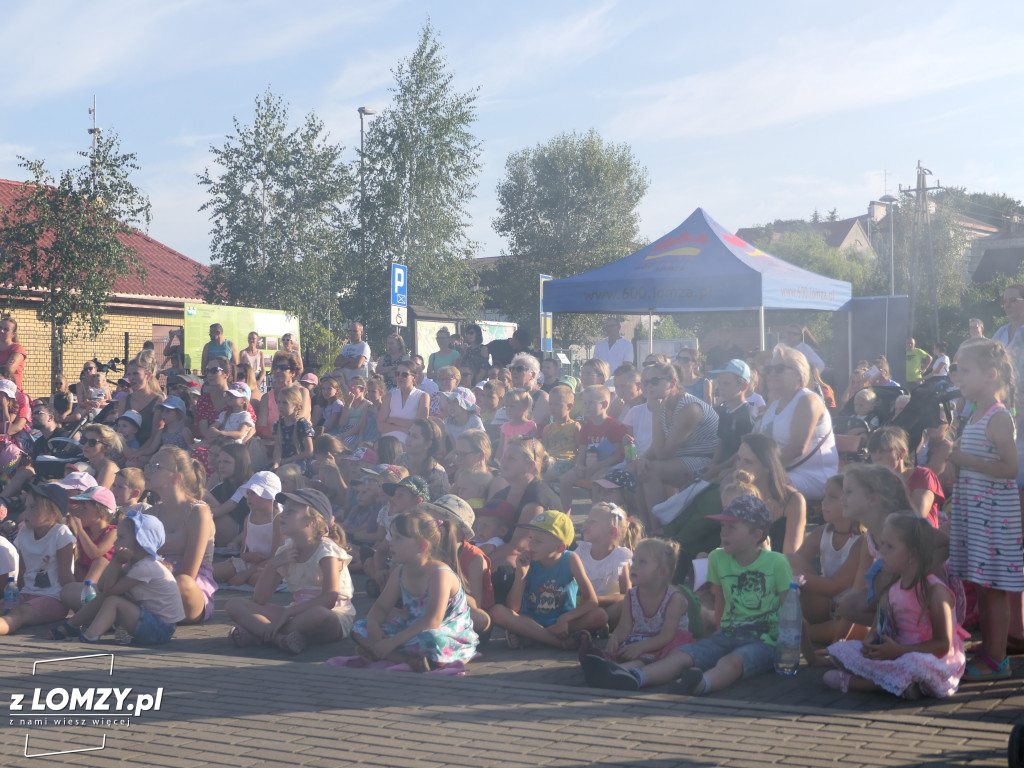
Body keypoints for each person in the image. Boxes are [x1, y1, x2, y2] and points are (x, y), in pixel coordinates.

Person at [580, 495, 793, 695]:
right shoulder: (719, 558)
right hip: (726, 636)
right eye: (722, 526)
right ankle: (634, 677)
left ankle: (702, 684)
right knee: (682, 655)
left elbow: (791, 611)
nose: (723, 532)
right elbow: (721, 601)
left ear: (756, 535)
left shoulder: (777, 563)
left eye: (732, 527)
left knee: (732, 662)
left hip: (764, 641)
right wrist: (716, 635)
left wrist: (801, 655)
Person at [946, 338, 1024, 681]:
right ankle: (991, 645)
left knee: (993, 588)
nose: (957, 378)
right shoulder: (974, 413)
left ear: (991, 374)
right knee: (981, 584)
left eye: (965, 371)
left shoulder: (999, 416)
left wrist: (966, 460)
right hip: (976, 515)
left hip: (995, 518)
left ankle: (998, 657)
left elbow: (1010, 469)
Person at [825, 513, 967, 698]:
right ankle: (901, 684)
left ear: (912, 554)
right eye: (882, 544)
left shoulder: (935, 591)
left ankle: (858, 683)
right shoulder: (890, 591)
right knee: (840, 652)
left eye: (890, 546)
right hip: (897, 653)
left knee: (914, 664)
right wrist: (871, 643)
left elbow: (943, 645)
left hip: (932, 659)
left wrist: (899, 651)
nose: (881, 551)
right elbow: (878, 628)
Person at [227, 488, 355, 654]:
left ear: (312, 521)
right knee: (234, 605)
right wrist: (273, 564)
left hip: (332, 615)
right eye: (284, 510)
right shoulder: (285, 551)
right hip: (295, 614)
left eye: (291, 512)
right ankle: (278, 638)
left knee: (319, 614)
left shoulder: (327, 550)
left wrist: (288, 613)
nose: (282, 516)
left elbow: (329, 599)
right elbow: (259, 598)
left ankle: (259, 633)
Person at [352, 507, 479, 670]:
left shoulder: (440, 574)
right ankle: (405, 658)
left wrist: (392, 641)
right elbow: (381, 607)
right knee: (359, 628)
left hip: (446, 632)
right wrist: (373, 625)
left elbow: (432, 620)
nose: (391, 543)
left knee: (432, 639)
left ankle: (386, 653)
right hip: (413, 629)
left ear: (422, 546)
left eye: (398, 538)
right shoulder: (399, 571)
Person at [579, 538, 695, 688]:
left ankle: (618, 671)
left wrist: (642, 647)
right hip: (643, 638)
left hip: (667, 642)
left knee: (643, 658)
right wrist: (615, 638)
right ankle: (602, 662)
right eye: (634, 560)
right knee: (621, 651)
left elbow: (667, 635)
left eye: (642, 562)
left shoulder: (674, 598)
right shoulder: (631, 595)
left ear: (662, 572)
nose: (633, 566)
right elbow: (624, 627)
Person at [59, 509, 186, 646]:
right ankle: (71, 626)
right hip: (151, 621)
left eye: (121, 538)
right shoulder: (135, 563)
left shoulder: (146, 567)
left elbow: (109, 592)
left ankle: (90, 636)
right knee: (107, 597)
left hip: (160, 629)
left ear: (140, 541)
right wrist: (115, 562)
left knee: (114, 601)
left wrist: (116, 562)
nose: (115, 543)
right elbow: (102, 588)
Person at [489, 510, 607, 649]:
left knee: (600, 616)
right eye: (531, 538)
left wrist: (565, 618)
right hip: (531, 620)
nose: (531, 545)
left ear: (560, 547)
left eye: (538, 541)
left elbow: (592, 601)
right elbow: (513, 607)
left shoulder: (570, 559)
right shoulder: (527, 560)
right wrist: (520, 574)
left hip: (561, 621)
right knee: (497, 612)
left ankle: (531, 637)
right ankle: (560, 642)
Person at [787, 474, 863, 645]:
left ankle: (803, 634)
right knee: (788, 560)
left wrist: (793, 574)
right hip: (823, 607)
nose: (824, 502)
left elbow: (834, 586)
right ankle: (803, 632)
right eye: (824, 497)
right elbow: (795, 561)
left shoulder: (861, 542)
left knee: (860, 629)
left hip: (847, 614)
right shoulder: (822, 532)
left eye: (832, 497)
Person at [636, 362, 719, 514]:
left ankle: (657, 530)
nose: (649, 386)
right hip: (682, 457)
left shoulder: (689, 408)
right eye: (646, 382)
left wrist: (655, 415)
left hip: (705, 461)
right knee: (635, 468)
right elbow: (659, 445)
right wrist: (642, 459)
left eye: (655, 381)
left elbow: (663, 454)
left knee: (651, 471)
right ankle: (641, 525)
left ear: (673, 383)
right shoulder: (664, 404)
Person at [145, 447, 217, 623]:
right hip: (156, 581)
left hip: (190, 590)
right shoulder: (152, 513)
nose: (147, 471)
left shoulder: (198, 512)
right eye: (148, 465)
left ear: (176, 477)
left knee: (183, 583)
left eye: (156, 466)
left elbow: (190, 571)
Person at [757, 344, 837, 500]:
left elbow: (797, 448)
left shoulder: (808, 401)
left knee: (755, 485)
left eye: (779, 368)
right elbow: (758, 443)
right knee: (729, 480)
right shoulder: (774, 405)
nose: (771, 373)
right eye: (769, 369)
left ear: (798, 375)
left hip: (811, 476)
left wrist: (760, 468)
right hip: (781, 471)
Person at [0, 484, 75, 636]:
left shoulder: (61, 533)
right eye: (26, 507)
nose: (26, 512)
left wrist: (73, 604)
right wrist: (15, 596)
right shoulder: (24, 533)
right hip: (27, 593)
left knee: (19, 614)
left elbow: (66, 575)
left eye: (33, 508)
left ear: (52, 515)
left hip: (54, 598)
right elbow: (22, 573)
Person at [558, 385, 629, 514]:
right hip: (587, 465)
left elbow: (617, 456)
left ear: (605, 404)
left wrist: (598, 466)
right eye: (585, 403)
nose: (587, 406)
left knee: (597, 482)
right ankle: (564, 515)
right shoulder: (585, 427)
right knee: (565, 480)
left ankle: (595, 516)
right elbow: (582, 450)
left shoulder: (613, 426)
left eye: (591, 403)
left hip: (606, 466)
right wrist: (579, 465)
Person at [733, 434, 806, 554]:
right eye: (738, 459)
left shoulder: (793, 501)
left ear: (767, 466)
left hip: (778, 569)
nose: (739, 467)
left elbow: (791, 557)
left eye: (748, 462)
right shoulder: (737, 494)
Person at [575, 502, 640, 626]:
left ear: (611, 531)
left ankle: (595, 628)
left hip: (607, 609)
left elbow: (627, 595)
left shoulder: (619, 557)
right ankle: (588, 629)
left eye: (592, 522)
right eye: (587, 521)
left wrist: (597, 601)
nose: (586, 525)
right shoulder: (581, 551)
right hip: (581, 605)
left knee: (621, 608)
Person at [867, 427, 944, 528]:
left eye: (882, 451)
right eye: (873, 452)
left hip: (918, 539)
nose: (876, 457)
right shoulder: (874, 482)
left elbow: (917, 515)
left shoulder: (923, 475)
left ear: (901, 453)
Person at [62, 485, 119, 605]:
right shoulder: (86, 532)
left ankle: (86, 599)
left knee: (100, 561)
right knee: (75, 564)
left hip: (108, 578)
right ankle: (74, 595)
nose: (79, 512)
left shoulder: (113, 532)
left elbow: (95, 553)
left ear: (100, 511)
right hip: (87, 573)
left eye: (84, 508)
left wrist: (80, 530)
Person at [705, 359, 756, 482]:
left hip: (738, 468)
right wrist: (713, 463)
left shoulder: (747, 414)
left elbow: (742, 450)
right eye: (720, 383)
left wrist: (719, 468)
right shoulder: (725, 411)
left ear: (743, 386)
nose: (721, 388)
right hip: (721, 465)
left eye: (726, 384)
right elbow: (721, 442)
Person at [398, 419, 451, 501]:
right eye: (409, 434)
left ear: (428, 444)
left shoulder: (438, 473)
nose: (408, 439)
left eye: (414, 437)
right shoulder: (400, 459)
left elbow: (441, 504)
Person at [379, 358, 429, 444]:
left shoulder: (423, 396)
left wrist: (393, 420)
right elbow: (380, 426)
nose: (400, 377)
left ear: (415, 377)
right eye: (397, 374)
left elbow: (419, 426)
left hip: (410, 442)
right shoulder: (389, 396)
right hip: (388, 441)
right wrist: (402, 428)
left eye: (404, 374)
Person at [272, 387, 315, 476]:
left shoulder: (302, 424)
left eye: (285, 403)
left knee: (287, 475)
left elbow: (309, 452)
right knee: (264, 473)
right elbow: (278, 448)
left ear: (297, 406)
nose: (280, 406)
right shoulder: (278, 424)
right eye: (279, 402)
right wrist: (276, 464)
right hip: (283, 462)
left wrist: (287, 460)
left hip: (299, 463)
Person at [509, 352, 549, 428]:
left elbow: (532, 428)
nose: (514, 372)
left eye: (519, 369)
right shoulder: (509, 395)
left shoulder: (543, 398)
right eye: (512, 368)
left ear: (533, 375)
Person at [81, 424, 124, 489]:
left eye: (92, 442)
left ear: (105, 448)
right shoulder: (87, 464)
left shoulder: (109, 467)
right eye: (84, 440)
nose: (86, 445)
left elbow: (96, 496)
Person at [0, 316, 26, 390]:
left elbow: (6, 372)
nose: (1, 331)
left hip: (11, 393)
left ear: (13, 334)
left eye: (6, 329)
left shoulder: (18, 349)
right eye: (0, 327)